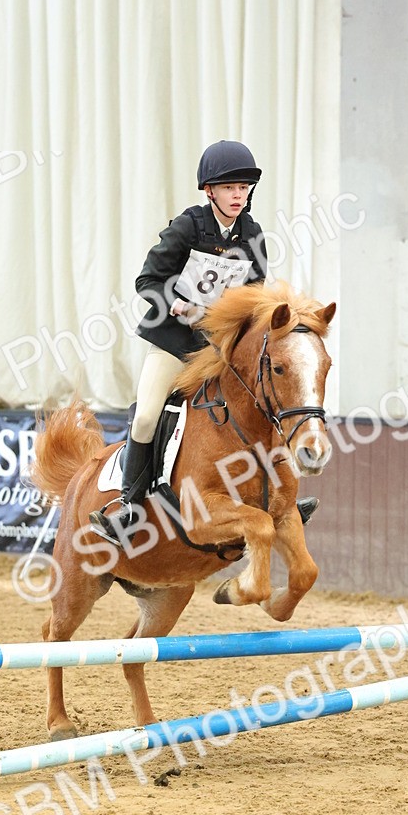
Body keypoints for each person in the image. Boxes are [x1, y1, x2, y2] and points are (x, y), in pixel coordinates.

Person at [89, 139, 318, 545]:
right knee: (146, 417)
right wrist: (176, 304)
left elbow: (256, 294)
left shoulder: (253, 234)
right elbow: (147, 280)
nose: (238, 195)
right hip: (177, 345)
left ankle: (280, 498)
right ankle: (130, 503)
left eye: (244, 187)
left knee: (268, 398)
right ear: (209, 190)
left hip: (221, 349)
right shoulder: (187, 227)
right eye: (229, 187)